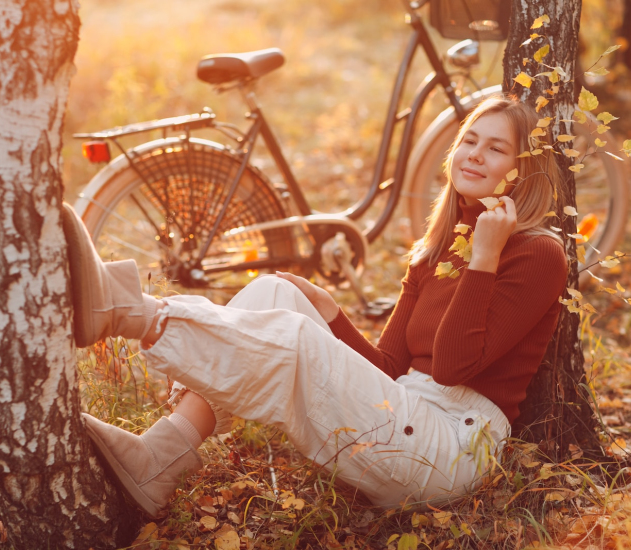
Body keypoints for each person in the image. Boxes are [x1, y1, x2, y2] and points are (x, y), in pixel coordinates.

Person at [66, 95, 567, 518]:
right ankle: (160, 456)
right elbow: (390, 369)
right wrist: (332, 313)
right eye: (470, 141)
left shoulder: (538, 254)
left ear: (521, 174)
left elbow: (456, 367)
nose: (474, 155)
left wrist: (485, 257)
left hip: (452, 450)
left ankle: (132, 313)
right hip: (405, 414)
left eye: (496, 148)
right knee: (275, 294)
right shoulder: (437, 251)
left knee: (295, 338)